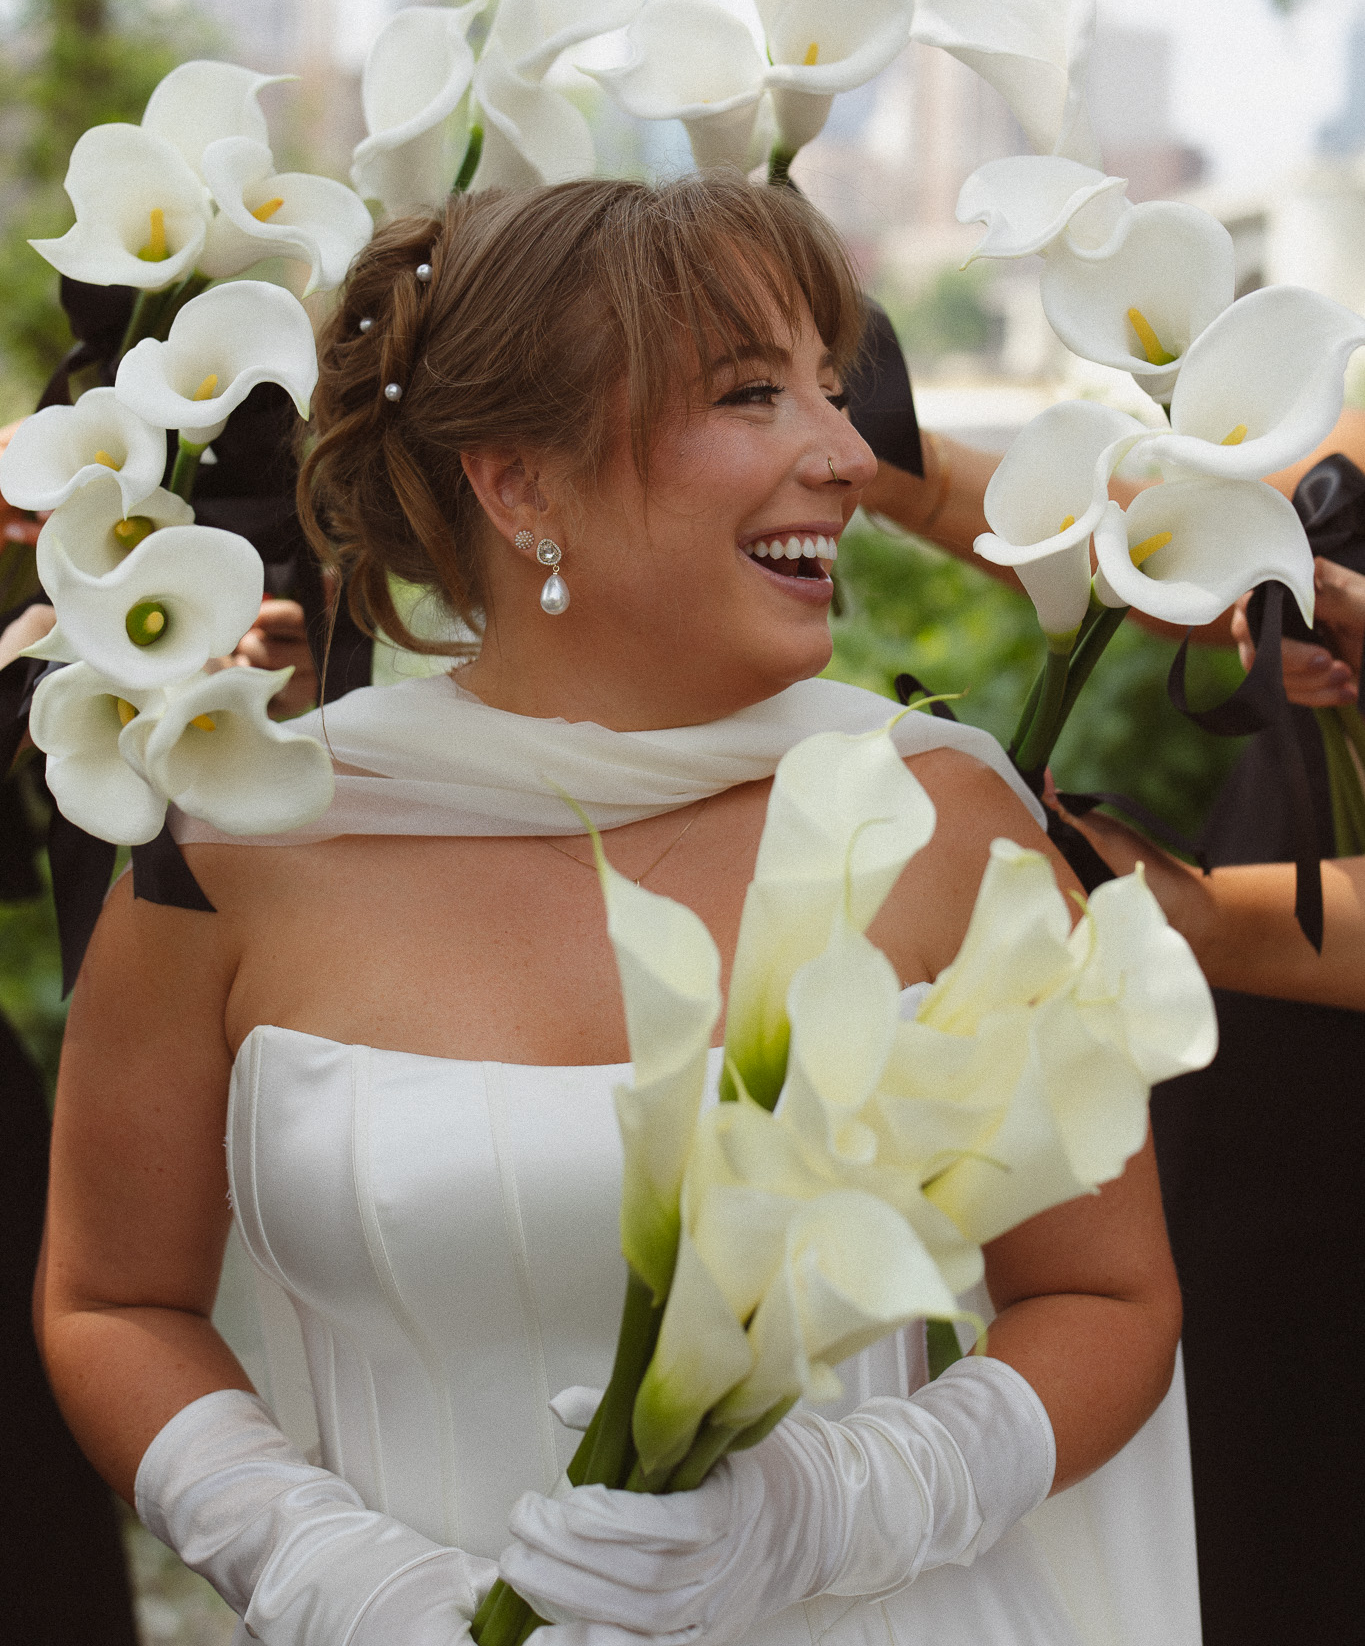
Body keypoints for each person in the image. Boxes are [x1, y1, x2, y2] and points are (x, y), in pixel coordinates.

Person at [36, 177, 1197, 1646]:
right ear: (519, 484)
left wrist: (823, 1510)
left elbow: (1105, 1300)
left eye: (830, 394)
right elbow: (114, 1301)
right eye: (751, 393)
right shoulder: (232, 844)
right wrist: (318, 1564)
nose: (846, 456)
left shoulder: (943, 824)